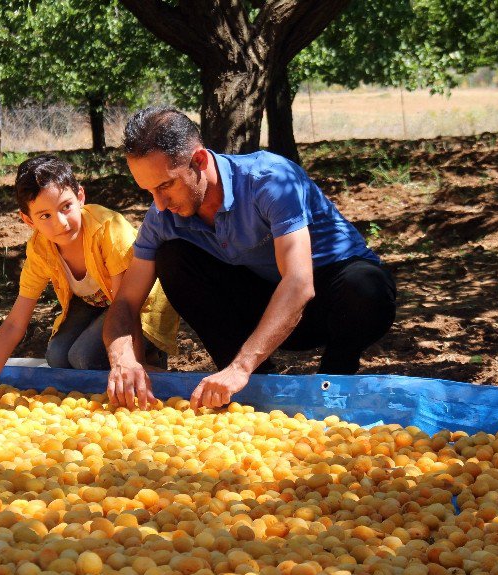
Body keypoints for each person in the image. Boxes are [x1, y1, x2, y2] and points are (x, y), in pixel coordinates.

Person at [104, 107, 396, 410]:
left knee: (365, 286)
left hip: (336, 303)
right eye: (148, 190)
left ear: (200, 160)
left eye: (165, 185)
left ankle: (333, 387)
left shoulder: (270, 179)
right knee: (172, 257)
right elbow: (125, 302)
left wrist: (242, 366)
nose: (159, 204)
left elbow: (299, 282)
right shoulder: (161, 218)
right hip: (268, 307)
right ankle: (252, 389)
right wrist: (124, 359)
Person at [0, 155, 177, 400]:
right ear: (28, 220)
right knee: (57, 356)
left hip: (140, 309)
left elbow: (127, 306)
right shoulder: (40, 248)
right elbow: (16, 322)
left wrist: (135, 363)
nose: (60, 223)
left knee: (83, 358)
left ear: (80, 197)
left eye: (66, 207)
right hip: (98, 303)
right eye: (44, 216)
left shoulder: (108, 230)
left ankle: (150, 358)